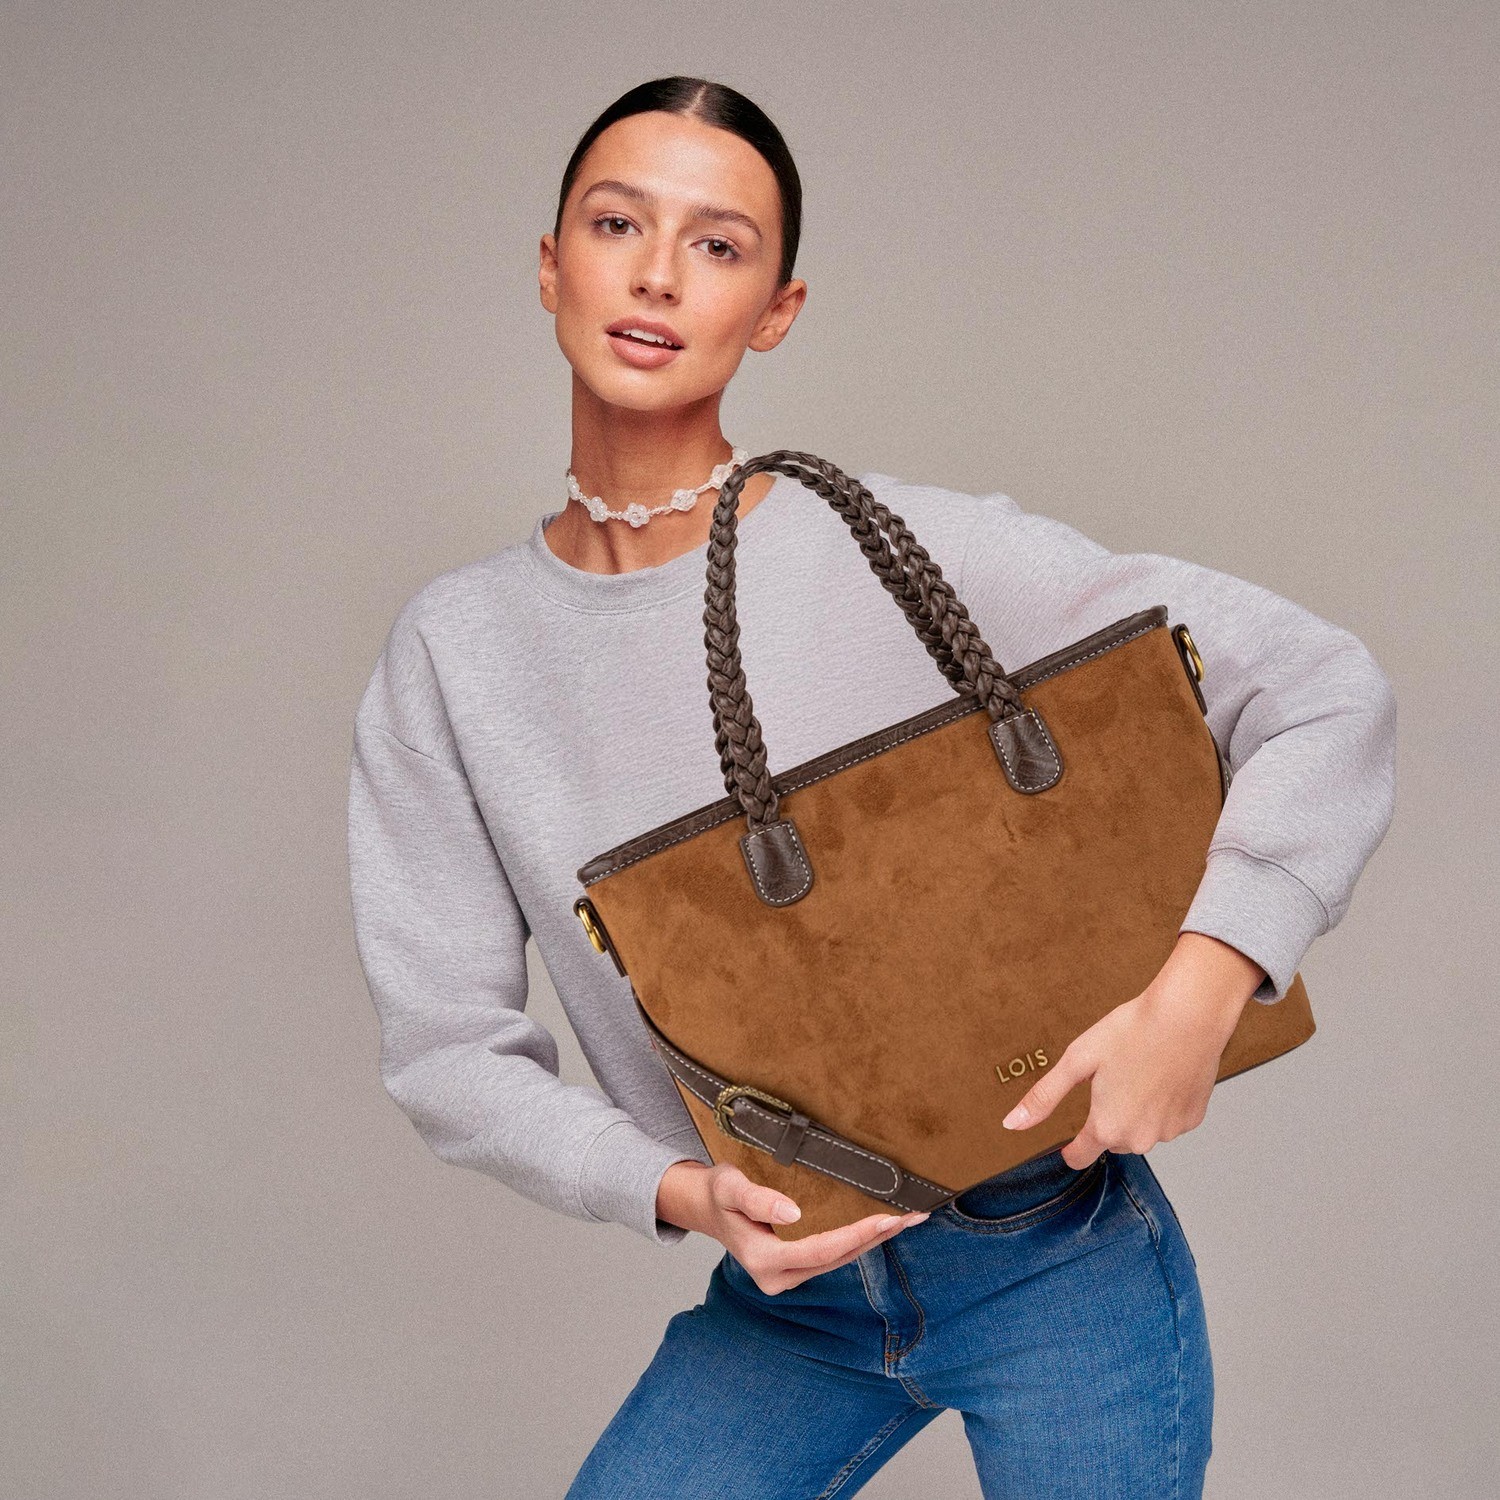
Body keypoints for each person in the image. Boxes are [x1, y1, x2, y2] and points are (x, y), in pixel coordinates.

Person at [346, 76, 1397, 1499]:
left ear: (775, 308)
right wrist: (679, 1191)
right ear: (550, 265)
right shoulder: (455, 654)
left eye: (718, 245)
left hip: (1059, 1262)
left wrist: (1205, 989)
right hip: (785, 1307)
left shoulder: (899, 549)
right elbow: (447, 1053)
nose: (657, 275)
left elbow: (1325, 686)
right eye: (616, 224)